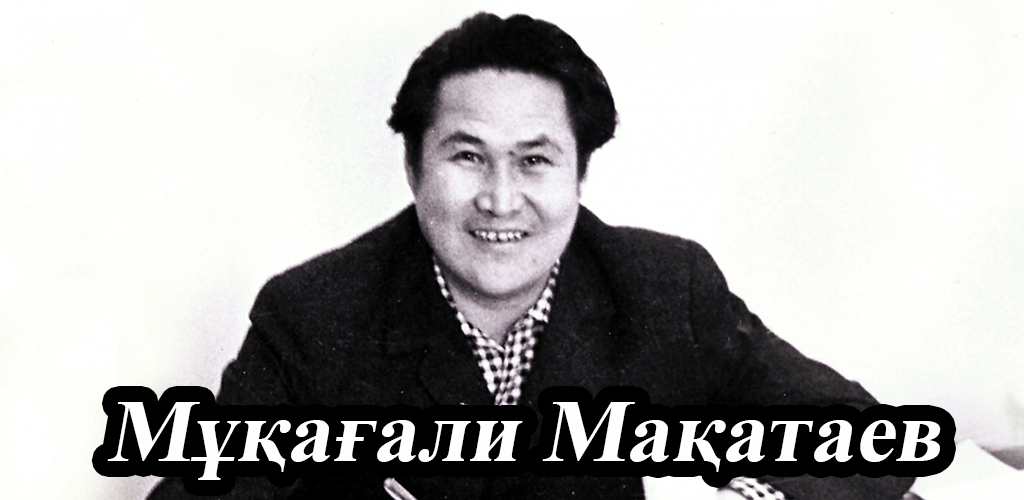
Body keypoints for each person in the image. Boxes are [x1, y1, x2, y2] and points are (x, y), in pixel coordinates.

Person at [148, 13, 914, 500]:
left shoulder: (664, 290)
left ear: (580, 175)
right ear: (414, 169)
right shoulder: (316, 316)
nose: (501, 199)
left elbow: (863, 441)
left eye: (535, 161)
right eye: (467, 156)